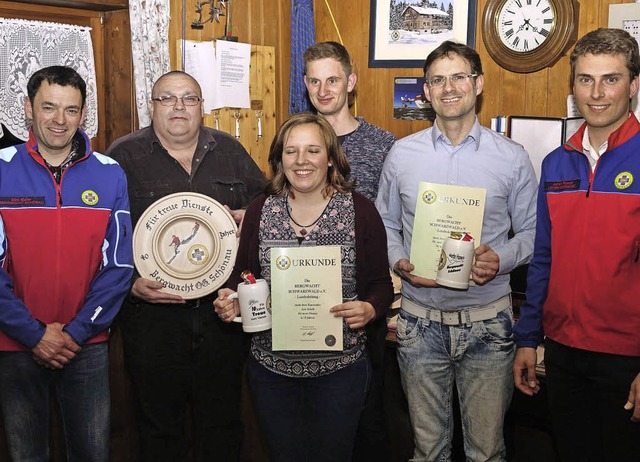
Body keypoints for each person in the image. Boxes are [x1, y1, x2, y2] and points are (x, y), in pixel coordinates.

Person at [376, 41, 537, 461]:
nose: (449, 87)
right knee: (427, 451)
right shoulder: (401, 154)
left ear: (478, 84)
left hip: (489, 326)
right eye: (437, 80)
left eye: (459, 76)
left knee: (487, 452)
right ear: (426, 91)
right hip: (419, 324)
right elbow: (386, 224)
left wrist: (501, 257)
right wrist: (399, 260)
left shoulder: (512, 158)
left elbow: (536, 232)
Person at [106, 70, 266, 461]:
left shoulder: (230, 150)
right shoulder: (122, 157)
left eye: (189, 98)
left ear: (201, 106)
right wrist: (128, 283)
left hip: (221, 316)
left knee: (222, 423)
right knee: (159, 428)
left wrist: (248, 214)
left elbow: (268, 212)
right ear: (152, 106)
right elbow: (104, 233)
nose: (179, 106)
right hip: (153, 319)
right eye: (168, 98)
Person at [214, 112, 393, 462]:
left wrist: (370, 308)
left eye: (313, 150)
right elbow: (242, 277)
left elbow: (380, 285)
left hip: (340, 371)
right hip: (271, 372)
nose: (301, 161)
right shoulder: (260, 210)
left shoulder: (360, 211)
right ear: (280, 158)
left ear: (330, 158)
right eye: (291, 151)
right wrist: (231, 300)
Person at [513, 28, 640, 462]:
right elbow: (543, 259)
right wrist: (527, 338)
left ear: (634, 85)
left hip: (626, 356)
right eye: (586, 80)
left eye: (611, 78)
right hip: (563, 352)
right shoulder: (555, 163)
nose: (598, 92)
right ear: (573, 88)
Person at [0, 66, 133, 461]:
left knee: (92, 454)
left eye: (71, 110)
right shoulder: (1, 168)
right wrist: (33, 333)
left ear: (83, 113)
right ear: (28, 108)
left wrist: (75, 333)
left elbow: (120, 267)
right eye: (49, 107)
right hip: (15, 344)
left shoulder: (110, 174)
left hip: (86, 346)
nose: (60, 120)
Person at [303, 40, 397, 461]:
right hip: (306, 295)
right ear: (305, 85)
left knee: (367, 414)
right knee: (311, 416)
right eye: (315, 81)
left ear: (351, 82)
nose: (324, 90)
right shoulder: (296, 140)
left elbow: (396, 218)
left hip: (365, 297)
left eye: (333, 80)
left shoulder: (383, 143)